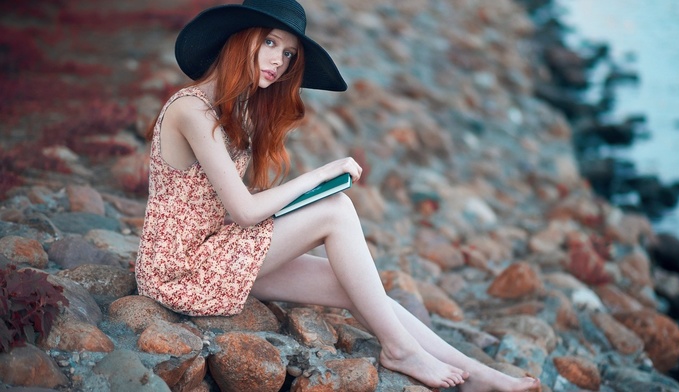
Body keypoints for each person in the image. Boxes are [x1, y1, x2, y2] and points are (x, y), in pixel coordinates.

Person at [135, 0, 541, 390]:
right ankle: (400, 351)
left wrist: (293, 203)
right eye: (271, 42)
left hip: (213, 250)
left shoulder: (231, 110)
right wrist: (323, 175)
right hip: (178, 269)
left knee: (359, 287)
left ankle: (478, 376)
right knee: (336, 208)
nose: (279, 61)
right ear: (241, 38)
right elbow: (243, 210)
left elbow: (222, 203)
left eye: (290, 54)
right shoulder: (192, 109)